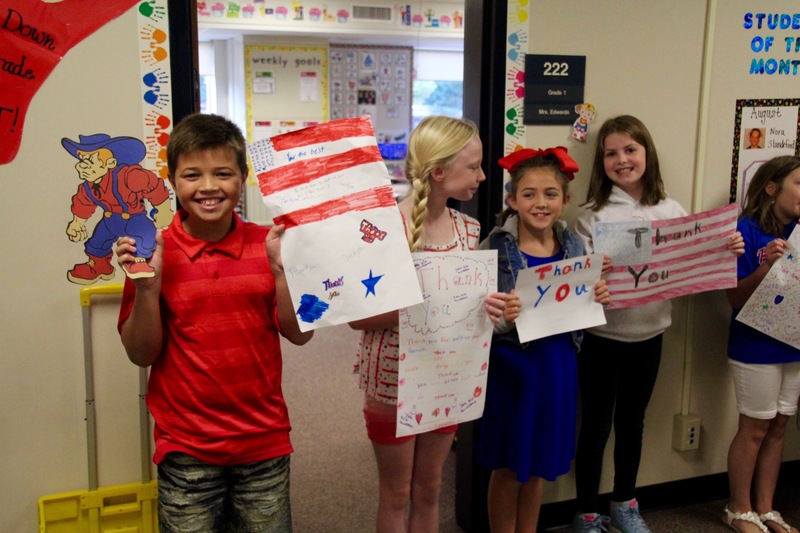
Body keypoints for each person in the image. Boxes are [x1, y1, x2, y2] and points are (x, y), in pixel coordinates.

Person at [115, 113, 313, 532]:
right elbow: (140, 354)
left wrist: (282, 272)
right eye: (192, 175)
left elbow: (301, 333)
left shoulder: (270, 244)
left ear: (243, 177)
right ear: (172, 181)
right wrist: (148, 288)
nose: (207, 186)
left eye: (222, 173)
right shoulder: (152, 253)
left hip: (263, 441)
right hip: (186, 447)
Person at [570, 115, 744, 533]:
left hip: (650, 336)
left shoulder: (671, 210)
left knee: (633, 423)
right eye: (611, 153)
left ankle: (625, 503)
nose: (622, 159)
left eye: (630, 150)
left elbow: (691, 260)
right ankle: (586, 512)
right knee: (594, 425)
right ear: (601, 162)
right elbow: (575, 282)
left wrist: (726, 248)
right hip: (600, 338)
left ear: (647, 153)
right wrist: (593, 270)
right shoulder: (590, 215)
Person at [349, 115, 506, 532]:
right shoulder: (382, 231)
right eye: (473, 166)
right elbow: (359, 319)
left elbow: (468, 310)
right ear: (439, 172)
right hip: (392, 380)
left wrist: (488, 306)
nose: (482, 176)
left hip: (446, 378)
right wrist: (423, 297)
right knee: (397, 494)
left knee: (431, 487)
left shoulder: (469, 230)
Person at [477, 147, 610, 533]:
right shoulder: (494, 248)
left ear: (566, 200)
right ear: (513, 200)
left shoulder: (574, 246)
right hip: (512, 370)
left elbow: (580, 302)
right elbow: (474, 315)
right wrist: (502, 316)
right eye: (530, 194)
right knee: (508, 466)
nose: (541, 203)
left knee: (538, 468)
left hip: (557, 366)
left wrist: (597, 295)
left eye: (551, 194)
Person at [723, 156, 800, 533]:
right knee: (754, 427)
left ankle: (767, 509)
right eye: (799, 183)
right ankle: (739, 508)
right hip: (755, 344)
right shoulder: (746, 230)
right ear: (771, 187)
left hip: (795, 344)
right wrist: (766, 266)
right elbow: (734, 299)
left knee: (780, 426)